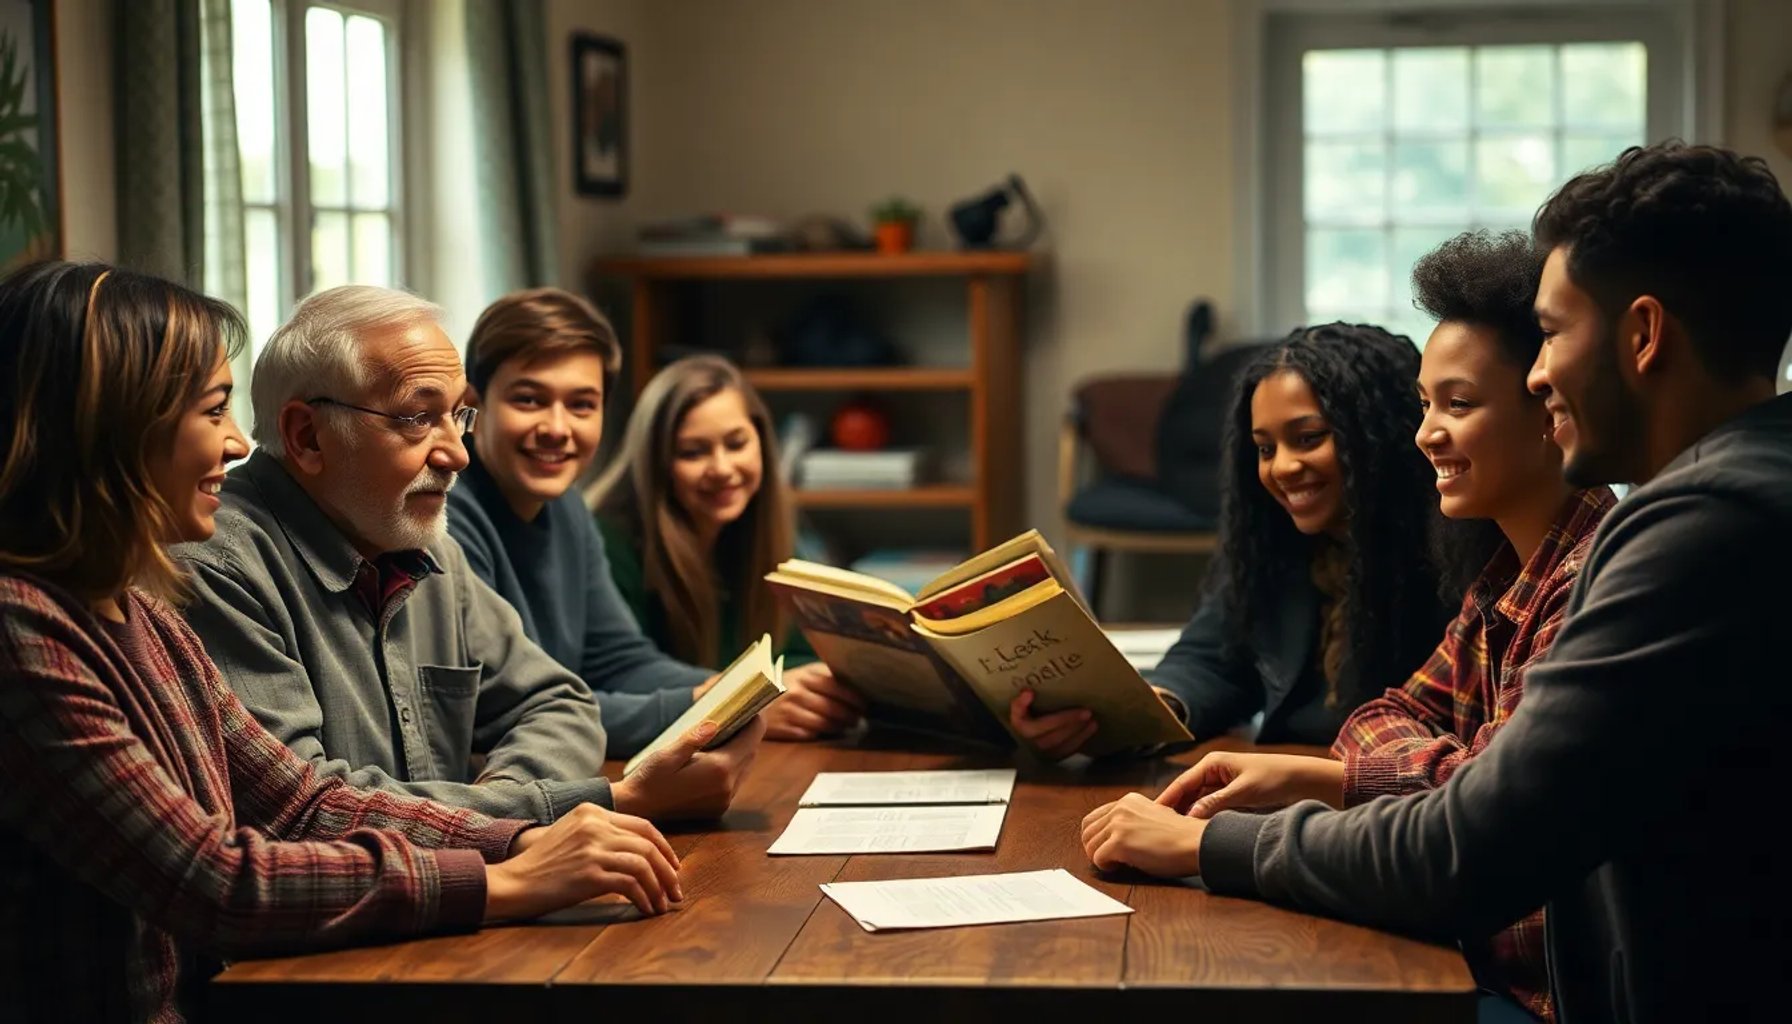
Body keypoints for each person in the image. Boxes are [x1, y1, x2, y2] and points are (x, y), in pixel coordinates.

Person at [1080, 142, 1792, 1022]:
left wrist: (1212, 843)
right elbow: (1388, 724)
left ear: (1643, 336)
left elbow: (1466, 847)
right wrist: (1410, 779)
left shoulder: (1698, 530)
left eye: (1556, 335)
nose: (1539, 373)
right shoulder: (1732, 495)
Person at [0, 261, 685, 1024]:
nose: (235, 443)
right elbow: (217, 880)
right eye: (213, 411)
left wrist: (523, 836)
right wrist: (508, 879)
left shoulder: (135, 611)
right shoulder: (22, 631)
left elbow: (302, 803)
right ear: (114, 429)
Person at [1129, 231, 1615, 1022]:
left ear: (1549, 406)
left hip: (1525, 984)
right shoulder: (1501, 582)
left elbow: (1477, 820)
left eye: (1457, 405)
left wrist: (1348, 786)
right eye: (1427, 406)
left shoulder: (1580, 578)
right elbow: (1380, 720)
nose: (1428, 433)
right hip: (1459, 944)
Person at [174, 285, 762, 827]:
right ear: (306, 437)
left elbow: (559, 702)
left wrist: (506, 810)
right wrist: (537, 815)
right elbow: (308, 812)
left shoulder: (424, 544)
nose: (457, 454)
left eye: (457, 415)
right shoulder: (219, 569)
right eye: (417, 417)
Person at [1014, 323, 1459, 758]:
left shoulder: (1456, 561)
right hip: (1292, 787)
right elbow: (1213, 660)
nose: (1282, 467)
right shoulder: (1270, 539)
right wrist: (1138, 713)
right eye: (1265, 449)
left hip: (1387, 801)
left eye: (1308, 439)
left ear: (1380, 437)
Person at [589, 355, 866, 742]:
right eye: (693, 452)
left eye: (736, 444)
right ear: (656, 462)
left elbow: (804, 656)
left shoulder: (763, 533)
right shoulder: (605, 543)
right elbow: (618, 679)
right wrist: (749, 700)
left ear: (762, 444)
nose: (721, 467)